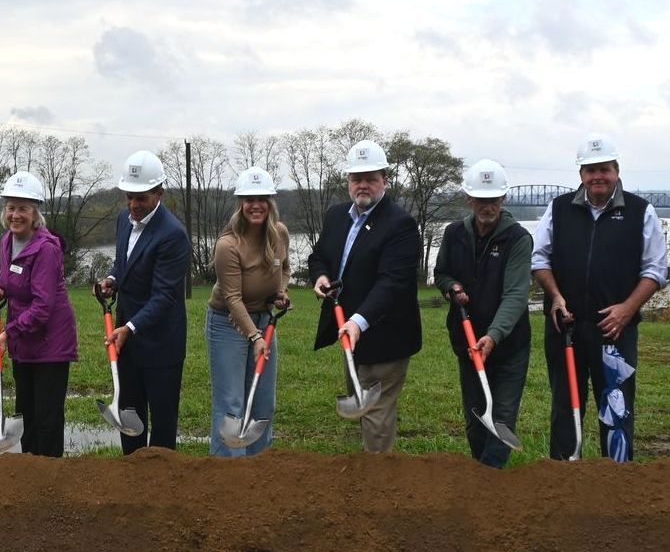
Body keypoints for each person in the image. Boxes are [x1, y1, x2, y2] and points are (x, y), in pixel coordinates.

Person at [532, 136, 669, 462]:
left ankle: (616, 485)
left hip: (614, 332)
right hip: (566, 327)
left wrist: (628, 309)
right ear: (581, 173)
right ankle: (563, 478)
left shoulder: (640, 212)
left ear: (617, 171)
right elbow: (540, 259)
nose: (598, 176)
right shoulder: (558, 209)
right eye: (591, 170)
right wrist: (555, 297)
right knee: (566, 407)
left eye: (604, 169)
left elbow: (656, 269)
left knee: (617, 409)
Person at [308, 139, 423, 452]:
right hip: (349, 332)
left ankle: (379, 486)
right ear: (348, 182)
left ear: (385, 180)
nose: (363, 185)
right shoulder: (336, 216)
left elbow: (392, 283)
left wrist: (359, 322)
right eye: (357, 179)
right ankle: (373, 478)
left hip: (385, 334)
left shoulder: (400, 224)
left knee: (375, 414)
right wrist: (320, 276)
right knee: (364, 406)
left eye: (371, 178)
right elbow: (320, 255)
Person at [433, 159, 532, 468]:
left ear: (503, 200)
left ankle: (489, 481)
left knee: (501, 417)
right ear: (469, 199)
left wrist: (494, 335)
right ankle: (481, 480)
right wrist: (452, 288)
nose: (487, 206)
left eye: (493, 200)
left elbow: (516, 294)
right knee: (476, 419)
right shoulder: (453, 233)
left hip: (507, 345)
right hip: (467, 341)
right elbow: (441, 273)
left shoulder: (518, 239)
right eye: (481, 199)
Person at [100, 150, 190, 453]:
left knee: (162, 423)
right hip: (129, 342)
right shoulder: (123, 222)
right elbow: (123, 264)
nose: (134, 204)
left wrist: (129, 327)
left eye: (142, 197)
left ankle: (162, 486)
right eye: (130, 197)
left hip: (161, 344)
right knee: (130, 415)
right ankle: (131, 478)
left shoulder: (173, 235)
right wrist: (112, 280)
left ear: (159, 193)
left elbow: (164, 296)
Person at [0, 171, 77, 457]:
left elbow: (42, 307)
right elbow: (14, 280)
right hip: (25, 340)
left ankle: (50, 477)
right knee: (26, 413)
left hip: (51, 342)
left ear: (36, 213)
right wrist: (2, 289)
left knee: (47, 417)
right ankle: (29, 472)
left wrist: (8, 333)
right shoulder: (6, 242)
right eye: (11, 207)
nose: (16, 214)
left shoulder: (47, 249)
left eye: (23, 208)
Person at [207, 166, 292, 456]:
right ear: (240, 204)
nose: (256, 205)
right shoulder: (227, 244)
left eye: (262, 199)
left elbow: (286, 268)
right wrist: (255, 337)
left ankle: (259, 467)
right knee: (231, 404)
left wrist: (281, 292)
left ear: (270, 202)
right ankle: (228, 473)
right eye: (248, 199)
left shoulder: (279, 233)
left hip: (264, 320)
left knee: (263, 401)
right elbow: (232, 298)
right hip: (227, 323)